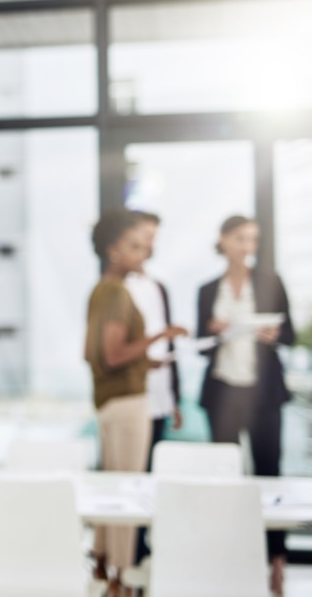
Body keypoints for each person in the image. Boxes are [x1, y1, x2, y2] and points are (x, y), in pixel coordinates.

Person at [85, 208, 186, 596]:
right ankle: (122, 579)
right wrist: (157, 337)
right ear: (113, 250)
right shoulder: (116, 291)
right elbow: (113, 355)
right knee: (127, 494)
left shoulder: (100, 290)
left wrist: (144, 357)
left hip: (111, 402)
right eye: (134, 246)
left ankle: (103, 567)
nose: (143, 254)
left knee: (113, 488)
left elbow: (91, 352)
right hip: (128, 403)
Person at [197, 215, 295, 597]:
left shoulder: (270, 282)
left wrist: (274, 333)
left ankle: (276, 565)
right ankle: (229, 557)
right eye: (240, 238)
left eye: (252, 239)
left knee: (270, 475)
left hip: (263, 393)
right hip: (223, 393)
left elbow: (291, 334)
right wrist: (213, 331)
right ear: (223, 240)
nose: (247, 246)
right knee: (225, 477)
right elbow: (202, 337)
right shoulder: (208, 289)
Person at [125, 210, 182, 564]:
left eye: (154, 235)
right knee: (130, 481)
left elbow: (169, 345)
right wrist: (144, 361)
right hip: (132, 397)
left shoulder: (158, 286)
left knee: (149, 480)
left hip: (160, 396)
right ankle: (127, 559)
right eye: (145, 234)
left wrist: (174, 398)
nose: (151, 242)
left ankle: (143, 554)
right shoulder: (118, 288)